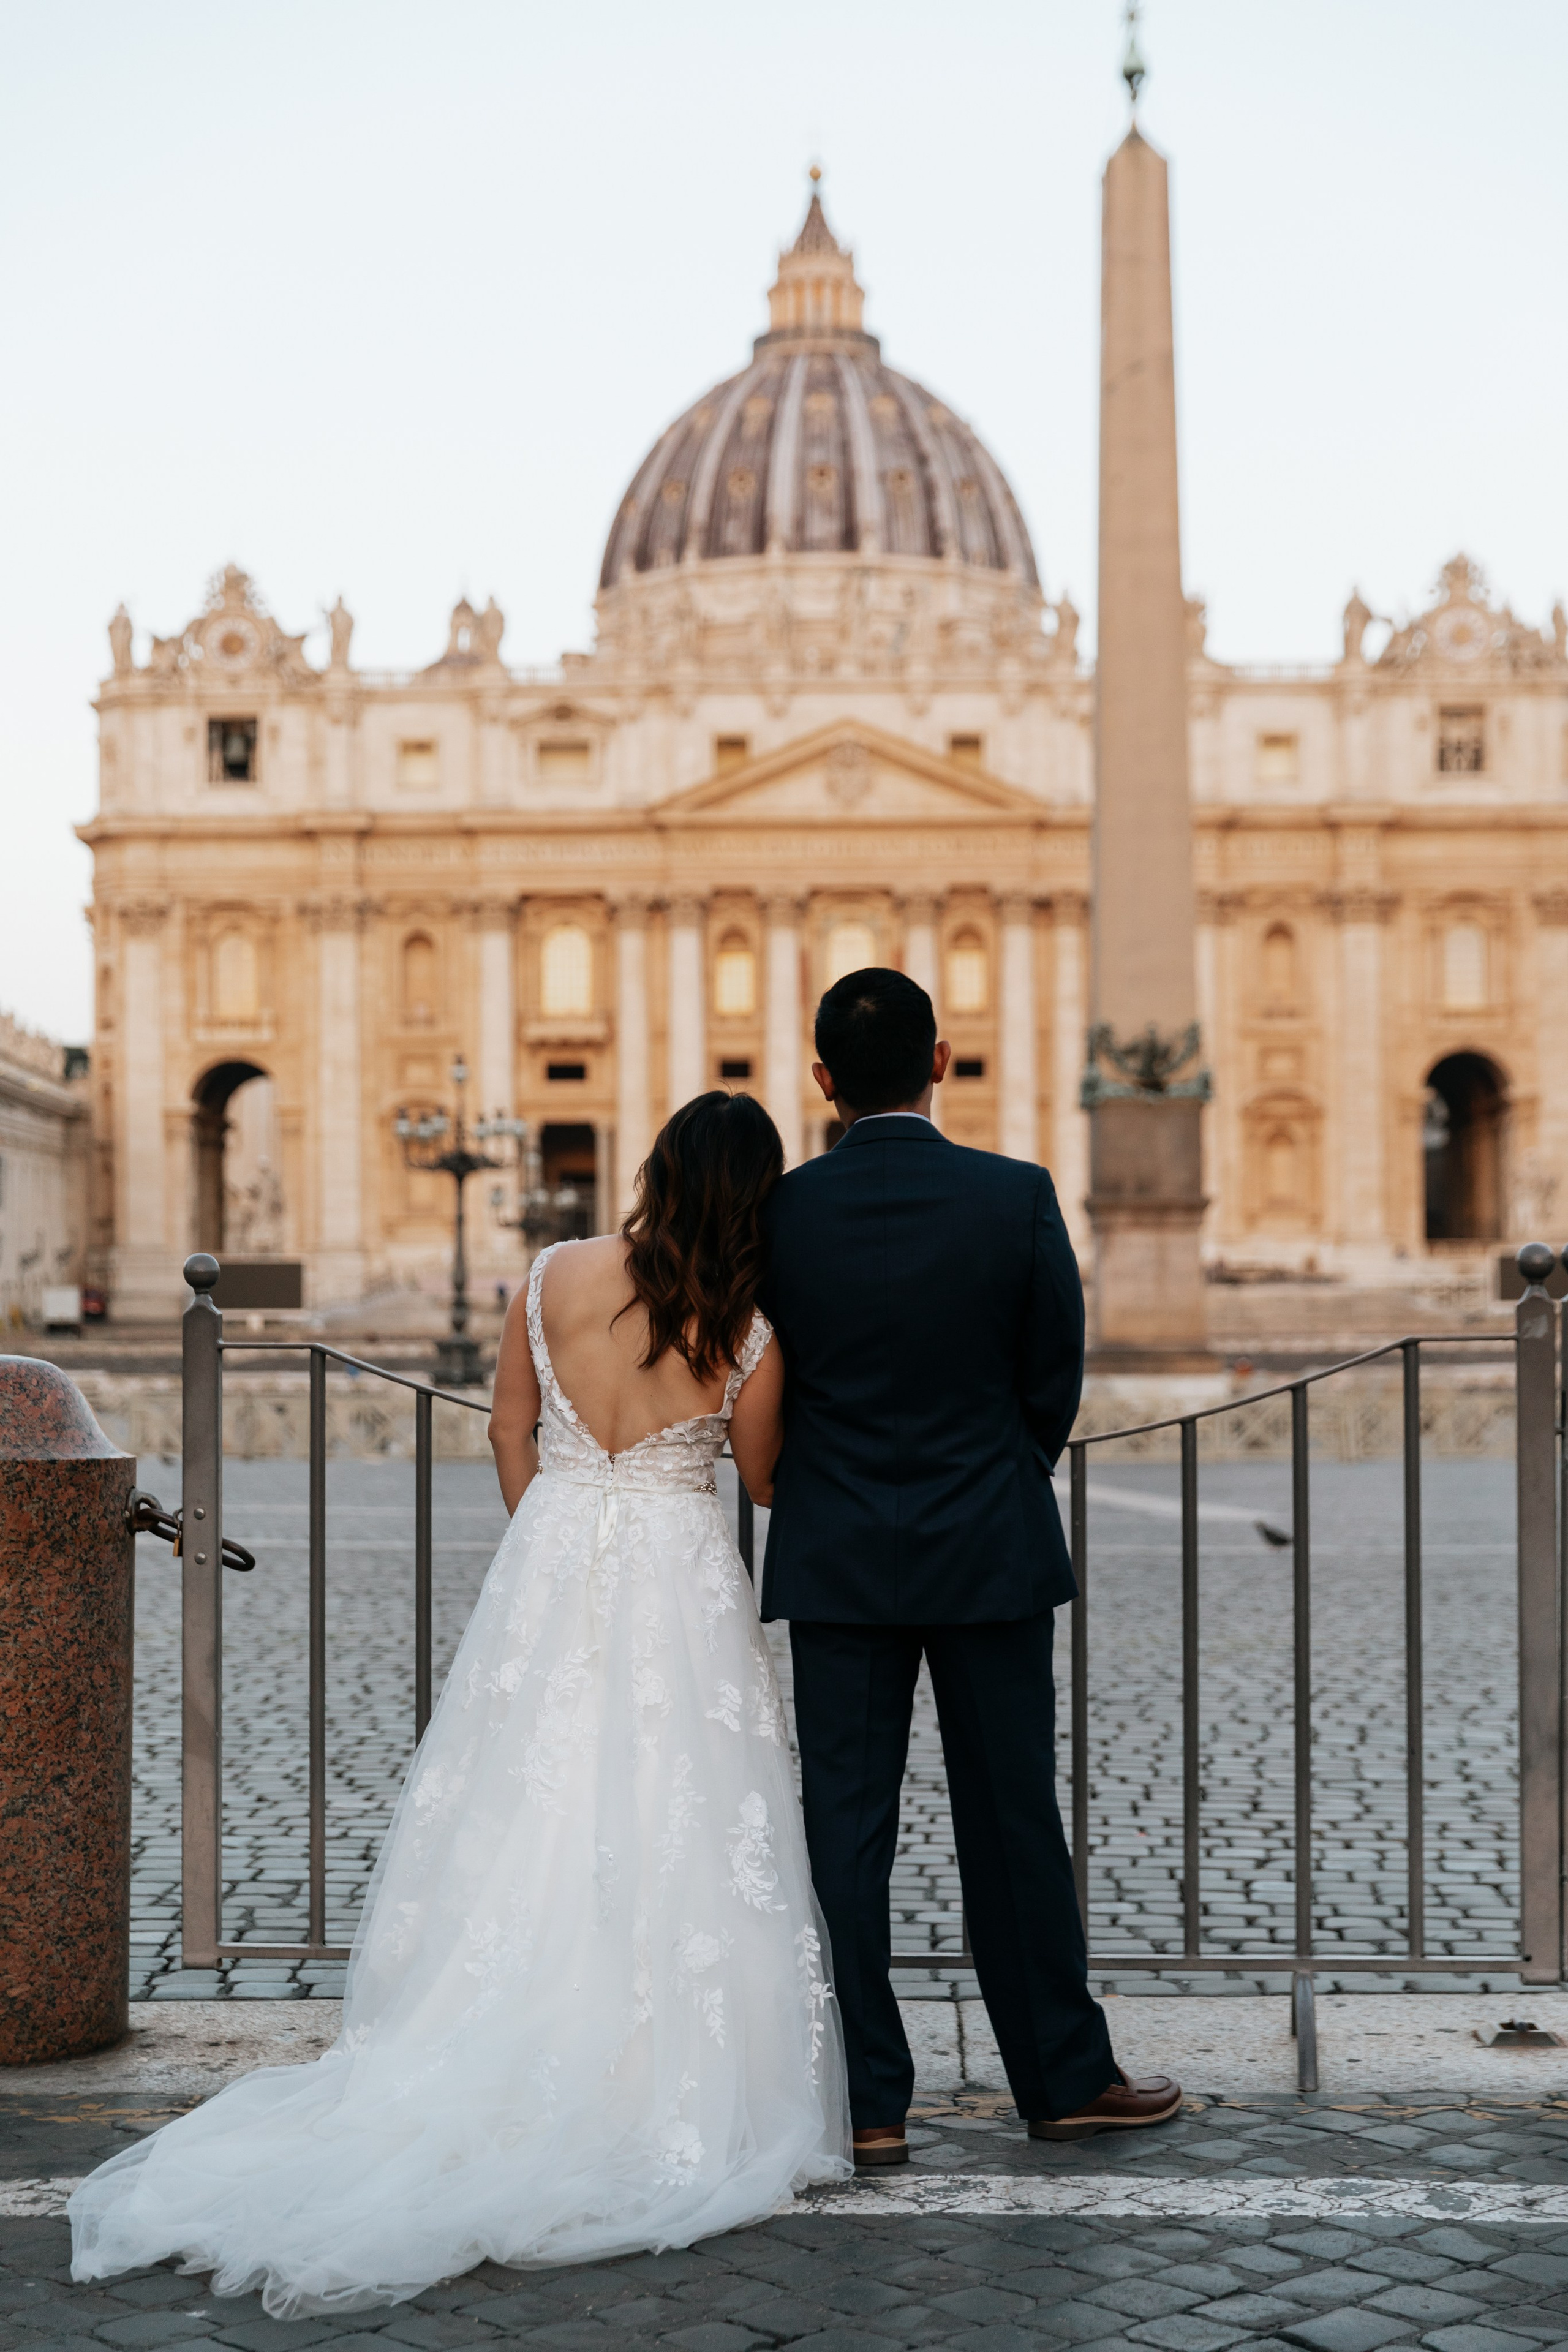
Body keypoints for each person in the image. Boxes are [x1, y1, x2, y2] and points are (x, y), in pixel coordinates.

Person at [69, 1092, 849, 2320]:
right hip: (679, 1569)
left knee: (520, 1801)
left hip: (555, 1549)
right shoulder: (750, 1325)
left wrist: (551, 1529)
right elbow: (756, 1475)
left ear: (650, 1168)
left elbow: (507, 1428)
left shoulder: (547, 1273)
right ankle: (655, 2069)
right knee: (685, 1812)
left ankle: (486, 2034)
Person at [760, 967, 1180, 2165]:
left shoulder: (782, 1214)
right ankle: (1059, 2076)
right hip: (987, 1541)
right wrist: (999, 1468)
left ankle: (865, 2098)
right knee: (1010, 1820)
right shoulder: (1014, 1195)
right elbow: (1054, 1367)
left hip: (836, 1550)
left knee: (843, 1826)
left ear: (823, 1080)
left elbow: (763, 1377)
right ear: (940, 1063)